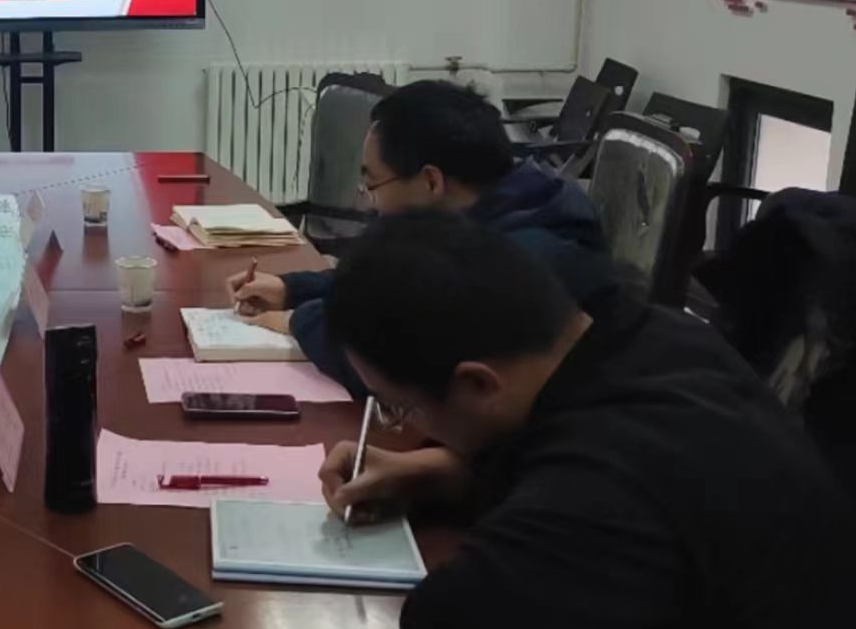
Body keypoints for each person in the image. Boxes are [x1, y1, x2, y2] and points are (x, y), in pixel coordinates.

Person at [317, 212, 856, 629]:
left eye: (399, 407)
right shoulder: (662, 336)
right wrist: (457, 473)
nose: (405, 426)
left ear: (478, 384)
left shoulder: (599, 486)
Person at [229, 80, 613, 394]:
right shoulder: (491, 205)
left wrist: (298, 320)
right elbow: (386, 280)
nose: (366, 203)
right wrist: (292, 289)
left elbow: (398, 364)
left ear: (431, 181)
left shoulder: (520, 260)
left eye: (372, 185)